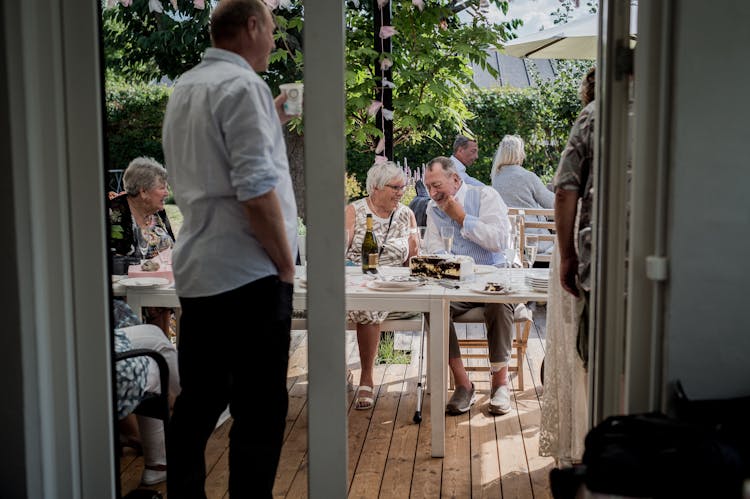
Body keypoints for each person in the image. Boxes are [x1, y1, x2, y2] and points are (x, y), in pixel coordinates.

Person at [161, 1, 297, 496]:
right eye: (273, 28)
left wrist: (272, 119)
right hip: (248, 273)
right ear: (254, 25)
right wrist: (285, 264)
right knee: (260, 412)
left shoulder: (185, 87)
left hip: (199, 270)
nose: (274, 39)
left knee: (198, 402)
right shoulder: (243, 87)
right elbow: (256, 192)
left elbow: (213, 163)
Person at [422, 156, 516, 415]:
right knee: (433, 306)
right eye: (428, 187)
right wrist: (450, 262)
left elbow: (498, 241)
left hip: (493, 279)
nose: (432, 193)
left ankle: (500, 384)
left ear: (455, 180)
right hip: (456, 284)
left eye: (437, 185)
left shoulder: (485, 196)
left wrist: (462, 218)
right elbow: (433, 248)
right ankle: (464, 384)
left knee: (498, 304)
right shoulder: (433, 208)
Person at [539, 67, 596, 466]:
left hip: (584, 246)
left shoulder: (591, 118)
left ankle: (580, 442)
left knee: (578, 346)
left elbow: (564, 191)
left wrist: (568, 255)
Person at [345, 161, 419, 409]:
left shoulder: (406, 214)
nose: (401, 191)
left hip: (391, 284)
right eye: (395, 187)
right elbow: (338, 252)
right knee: (331, 305)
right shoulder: (354, 211)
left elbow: (414, 259)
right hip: (355, 280)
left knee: (369, 306)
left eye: (403, 186)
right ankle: (339, 369)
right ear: (375, 188)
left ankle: (366, 376)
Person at [109, 156, 175, 334]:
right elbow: (115, 265)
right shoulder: (114, 213)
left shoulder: (158, 214)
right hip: (124, 297)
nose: (167, 192)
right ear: (143, 191)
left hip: (159, 294)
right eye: (162, 187)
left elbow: (173, 248)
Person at [114, 322, 180, 486]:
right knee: (155, 359)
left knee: (154, 333)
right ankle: (157, 464)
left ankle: (185, 399)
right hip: (95, 370)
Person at [490, 134, 555, 254]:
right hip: (534, 244)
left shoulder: (496, 178)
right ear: (518, 154)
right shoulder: (527, 176)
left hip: (508, 244)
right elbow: (551, 203)